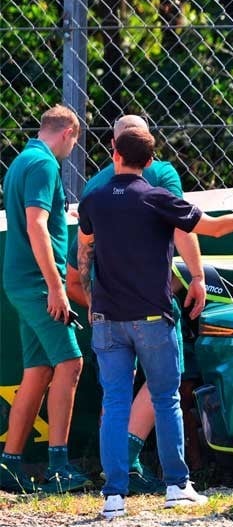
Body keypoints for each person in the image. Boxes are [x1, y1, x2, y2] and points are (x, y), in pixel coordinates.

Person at [78, 127, 233, 519]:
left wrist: (94, 300)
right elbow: (214, 228)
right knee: (166, 400)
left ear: (113, 152)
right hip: (152, 317)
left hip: (107, 319)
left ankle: (113, 497)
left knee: (115, 402)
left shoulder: (93, 199)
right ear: (150, 162)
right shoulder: (158, 198)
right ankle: (177, 486)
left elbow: (84, 250)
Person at [66, 114, 202, 494]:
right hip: (150, 301)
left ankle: (116, 485)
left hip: (104, 304)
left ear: (114, 147)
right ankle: (171, 480)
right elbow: (183, 226)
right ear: (148, 149)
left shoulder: (95, 187)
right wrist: (198, 277)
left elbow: (78, 258)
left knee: (115, 393)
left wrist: (95, 302)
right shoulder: (160, 176)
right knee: (166, 388)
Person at [0, 105, 88, 494]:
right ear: (68, 132)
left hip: (23, 281)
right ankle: (57, 467)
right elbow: (36, 223)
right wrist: (56, 287)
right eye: (75, 142)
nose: (72, 149)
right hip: (38, 283)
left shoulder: (22, 161)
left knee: (39, 370)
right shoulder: (44, 164)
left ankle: (10, 464)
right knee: (70, 362)